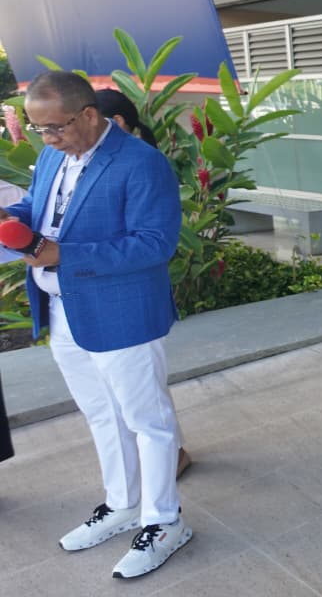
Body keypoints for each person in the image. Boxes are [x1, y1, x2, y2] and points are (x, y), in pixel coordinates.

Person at [1, 71, 189, 579]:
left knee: (147, 422)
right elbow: (39, 209)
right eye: (38, 129)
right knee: (102, 415)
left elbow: (155, 243)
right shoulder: (51, 156)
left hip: (122, 313)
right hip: (63, 311)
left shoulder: (140, 162)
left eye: (55, 127)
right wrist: (8, 216)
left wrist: (64, 254)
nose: (47, 139)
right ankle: (123, 504)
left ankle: (165, 521)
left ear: (89, 114)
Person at [94, 88, 192, 479]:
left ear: (115, 123)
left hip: (133, 297)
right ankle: (167, 455)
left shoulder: (142, 164)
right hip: (104, 297)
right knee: (141, 391)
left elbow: (152, 241)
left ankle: (172, 456)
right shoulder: (95, 161)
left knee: (148, 392)